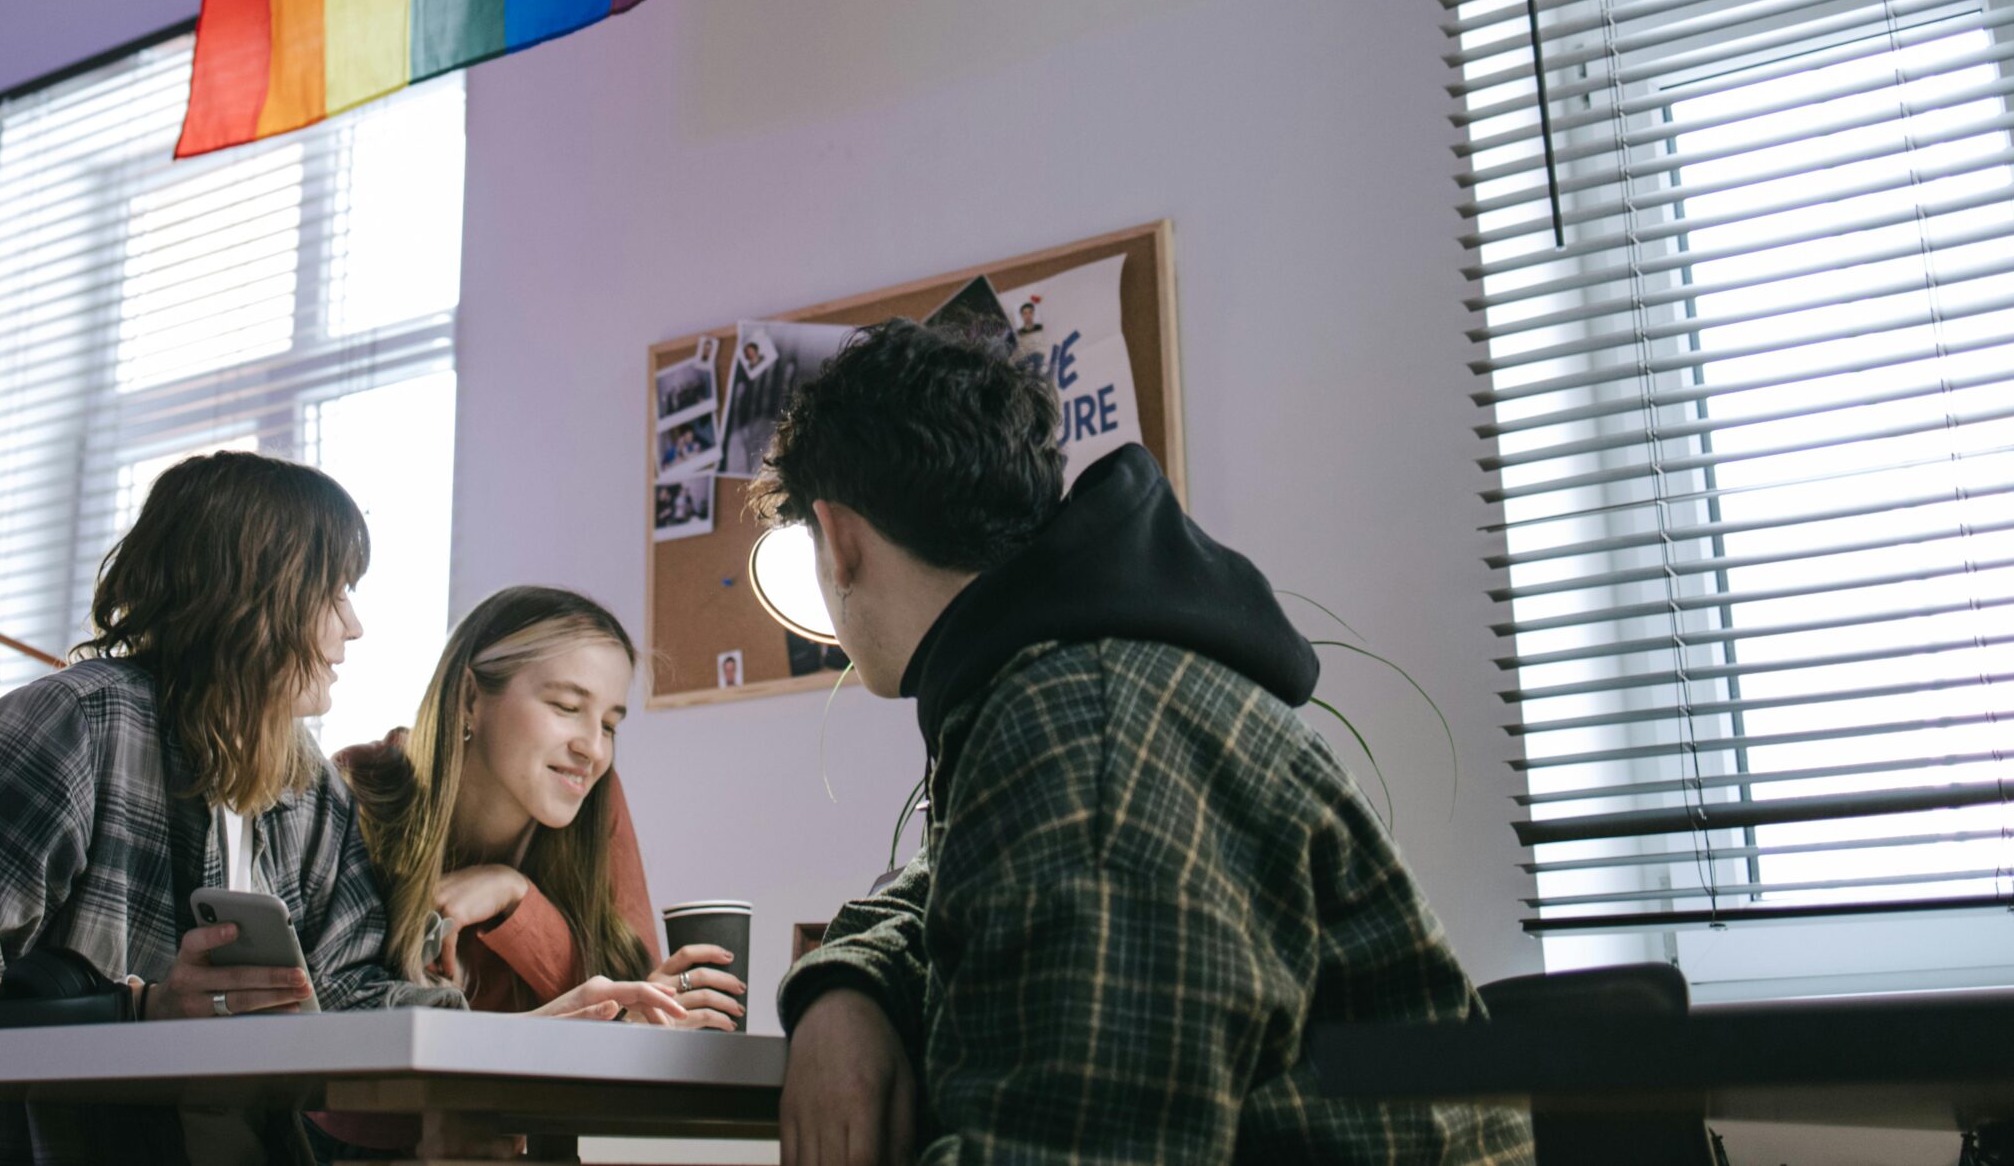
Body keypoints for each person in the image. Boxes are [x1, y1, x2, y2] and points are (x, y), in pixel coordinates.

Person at [761, 320, 1533, 1165]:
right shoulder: (1072, 680)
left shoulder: (1080, 727)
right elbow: (940, 889)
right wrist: (849, 984)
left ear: (836, 539)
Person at [0, 451, 455, 1166]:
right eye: (334, 591)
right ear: (254, 595)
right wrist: (134, 1011)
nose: (354, 625)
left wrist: (506, 1035)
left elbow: (344, 991)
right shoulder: (76, 725)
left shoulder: (310, 783)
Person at [336, 586, 740, 1027]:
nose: (593, 750)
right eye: (567, 707)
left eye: (609, 726)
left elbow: (628, 1002)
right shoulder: (361, 785)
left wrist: (515, 896)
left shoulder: (597, 799)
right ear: (470, 698)